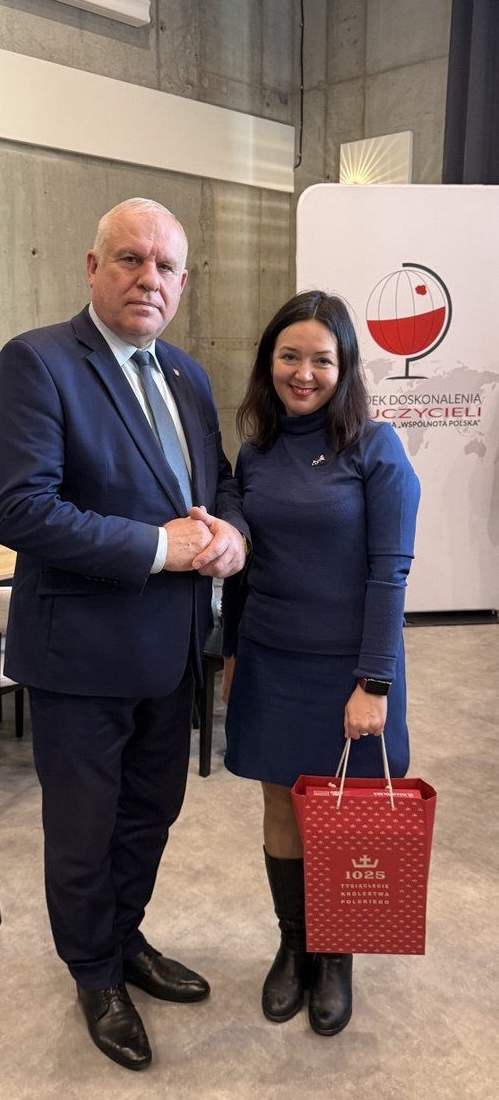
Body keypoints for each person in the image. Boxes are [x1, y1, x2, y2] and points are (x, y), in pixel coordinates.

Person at [0, 197, 248, 1071]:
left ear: (183, 283)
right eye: (131, 259)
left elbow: (221, 485)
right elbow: (20, 509)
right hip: (82, 657)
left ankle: (123, 937)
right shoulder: (38, 362)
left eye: (166, 266)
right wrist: (159, 548)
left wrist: (233, 535)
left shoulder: (188, 376)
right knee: (84, 830)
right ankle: (94, 974)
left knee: (149, 814)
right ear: (93, 268)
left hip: (172, 652)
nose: (149, 279)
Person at [221, 290, 420, 1037]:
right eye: (289, 356)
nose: (303, 373)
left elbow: (388, 574)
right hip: (271, 660)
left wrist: (375, 683)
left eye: (321, 360)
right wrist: (231, 654)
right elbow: (243, 571)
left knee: (345, 817)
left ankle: (336, 954)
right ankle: (295, 943)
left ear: (346, 367)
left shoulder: (375, 448)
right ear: (268, 362)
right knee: (281, 805)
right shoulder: (255, 452)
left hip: (350, 669)